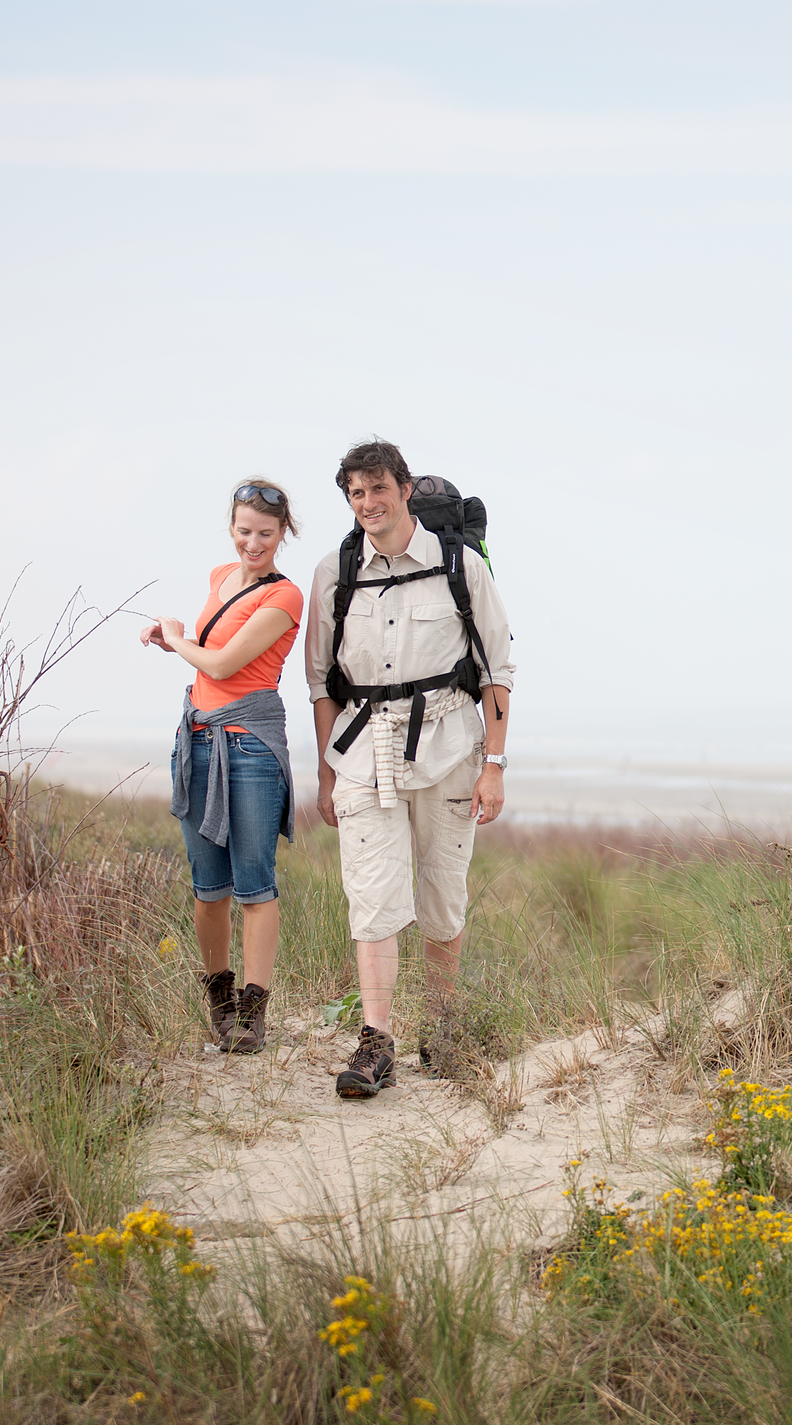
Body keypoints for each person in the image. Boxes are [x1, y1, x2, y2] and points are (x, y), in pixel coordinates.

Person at [305, 439, 514, 1098]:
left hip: (451, 751)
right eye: (355, 493)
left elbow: (496, 669)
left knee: (441, 899)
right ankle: (376, 1043)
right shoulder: (334, 572)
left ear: (402, 488)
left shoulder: (460, 567)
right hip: (364, 754)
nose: (368, 503)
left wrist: (496, 766)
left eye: (378, 489)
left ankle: (443, 1028)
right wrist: (326, 773)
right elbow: (320, 681)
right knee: (371, 900)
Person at [142, 479, 304, 1055]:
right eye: (243, 531)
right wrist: (172, 642)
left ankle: (255, 1015)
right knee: (208, 886)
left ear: (284, 533)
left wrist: (178, 637)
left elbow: (222, 660)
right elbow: (206, 660)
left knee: (254, 885)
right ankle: (221, 1004)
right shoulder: (220, 578)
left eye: (265, 533)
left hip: (250, 747)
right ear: (230, 527)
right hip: (200, 741)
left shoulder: (285, 597)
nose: (252, 543)